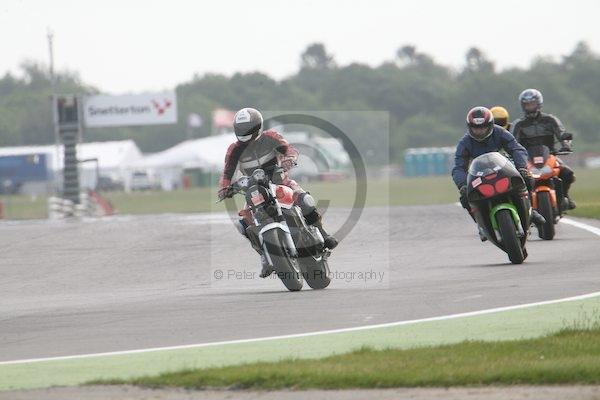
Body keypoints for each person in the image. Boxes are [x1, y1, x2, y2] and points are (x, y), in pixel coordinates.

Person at [217, 107, 338, 277]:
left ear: (258, 126)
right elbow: (227, 173)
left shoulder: (271, 137)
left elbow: (289, 149)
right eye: (241, 129)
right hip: (255, 192)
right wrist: (224, 188)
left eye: (248, 129)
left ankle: (323, 235)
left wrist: (289, 158)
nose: (245, 133)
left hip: (281, 182)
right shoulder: (234, 150)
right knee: (243, 223)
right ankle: (265, 256)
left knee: (305, 200)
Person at [452, 106, 545, 240]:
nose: (479, 131)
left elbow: (517, 149)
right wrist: (462, 184)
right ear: (469, 127)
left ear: (490, 125)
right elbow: (458, 167)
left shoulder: (500, 132)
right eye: (476, 128)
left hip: (504, 169)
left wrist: (521, 167)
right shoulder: (464, 142)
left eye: (483, 127)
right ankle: (481, 224)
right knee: (465, 196)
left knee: (527, 178)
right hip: (480, 175)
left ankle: (531, 210)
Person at [511, 88, 576, 209]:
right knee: (515, 179)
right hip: (527, 160)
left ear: (539, 103)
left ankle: (564, 197)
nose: (530, 106)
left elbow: (562, 133)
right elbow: (511, 141)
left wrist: (566, 145)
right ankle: (522, 206)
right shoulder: (518, 124)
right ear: (523, 106)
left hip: (550, 156)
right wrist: (511, 154)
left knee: (568, 173)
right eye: (527, 104)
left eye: (532, 103)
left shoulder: (550, 120)